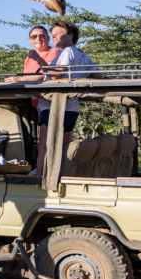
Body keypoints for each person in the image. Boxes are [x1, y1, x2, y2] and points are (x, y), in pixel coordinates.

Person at [31, 20, 99, 176]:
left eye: (58, 34)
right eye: (53, 35)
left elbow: (55, 75)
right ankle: (61, 175)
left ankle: (40, 180)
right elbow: (98, 76)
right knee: (63, 146)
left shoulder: (68, 52)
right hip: (71, 107)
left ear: (70, 35)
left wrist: (37, 59)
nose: (54, 38)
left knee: (45, 147)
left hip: (54, 106)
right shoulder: (81, 54)